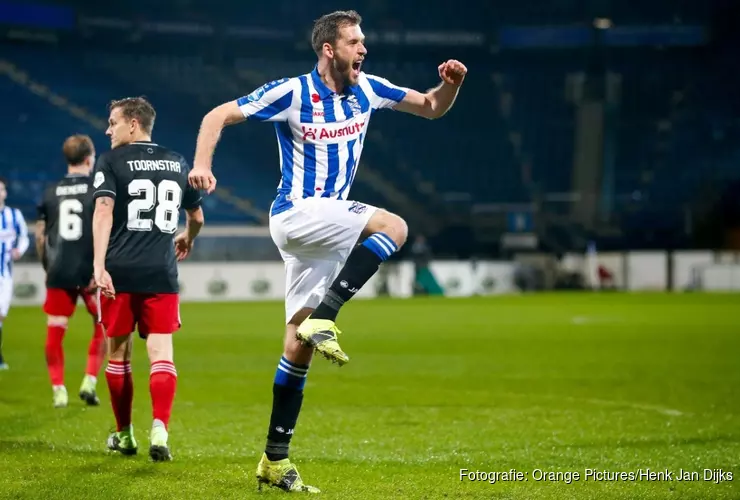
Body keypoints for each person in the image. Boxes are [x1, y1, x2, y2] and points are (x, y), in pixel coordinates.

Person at [189, 10, 466, 492]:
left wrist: (452, 85)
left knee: (297, 346)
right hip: (297, 213)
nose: (363, 49)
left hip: (324, 227)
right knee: (394, 226)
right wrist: (202, 165)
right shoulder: (292, 92)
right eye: (355, 42)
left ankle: (275, 459)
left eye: (363, 41)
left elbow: (431, 106)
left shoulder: (370, 88)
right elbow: (218, 115)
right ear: (328, 49)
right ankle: (329, 314)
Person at [92, 97, 204, 461]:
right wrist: (187, 237)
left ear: (134, 123)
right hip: (161, 272)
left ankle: (124, 436)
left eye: (113, 122)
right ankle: (160, 429)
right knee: (161, 355)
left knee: (119, 357)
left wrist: (98, 265)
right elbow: (197, 216)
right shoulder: (176, 160)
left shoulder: (110, 161)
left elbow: (103, 211)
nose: (108, 130)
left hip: (120, 273)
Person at [36, 134, 105, 408]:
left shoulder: (50, 192)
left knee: (55, 331)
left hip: (59, 271)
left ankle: (58, 390)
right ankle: (89, 380)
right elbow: (104, 229)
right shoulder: (97, 190)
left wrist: (47, 266)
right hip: (90, 271)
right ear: (90, 159)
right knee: (102, 327)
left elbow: (41, 236)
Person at [0, 176, 30, 370]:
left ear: (5, 192)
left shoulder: (14, 215)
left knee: (1, 314)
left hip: (5, 273)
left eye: (1, 189)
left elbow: (24, 237)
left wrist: (19, 249)